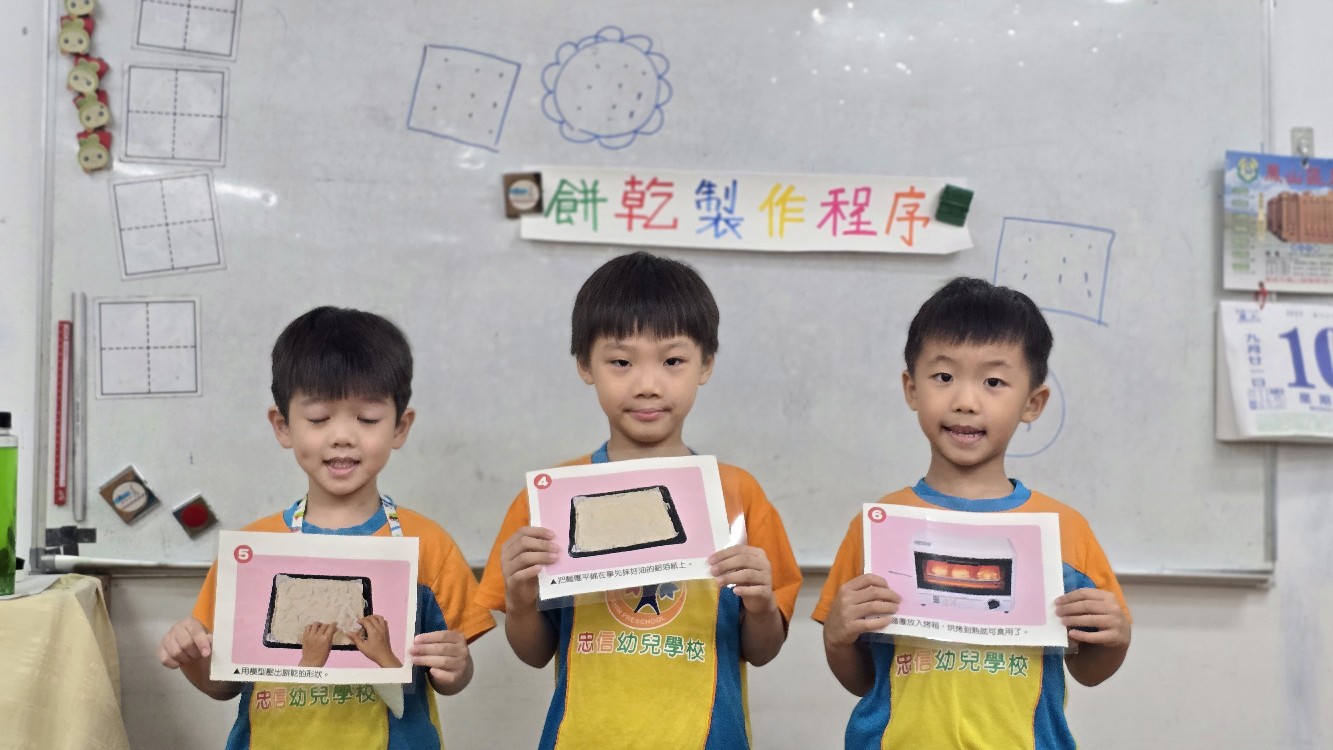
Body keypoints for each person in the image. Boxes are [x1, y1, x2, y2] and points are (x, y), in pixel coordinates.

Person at [476, 251, 803, 749]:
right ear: (585, 365)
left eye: (672, 361)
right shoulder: (550, 498)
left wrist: (760, 607)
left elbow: (762, 651)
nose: (648, 385)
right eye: (621, 362)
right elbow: (534, 653)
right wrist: (520, 603)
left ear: (705, 364)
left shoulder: (738, 493)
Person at [813, 277, 1131, 749]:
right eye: (944, 377)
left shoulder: (1064, 531)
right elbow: (862, 680)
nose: (965, 401)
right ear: (911, 389)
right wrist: (837, 639)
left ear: (1033, 403)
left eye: (993, 382)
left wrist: (1116, 638)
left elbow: (1088, 671)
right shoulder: (879, 525)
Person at [157, 306, 495, 749]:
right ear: (283, 426)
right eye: (319, 418)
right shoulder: (254, 551)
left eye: (367, 419)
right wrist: (190, 656)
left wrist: (457, 666)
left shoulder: (428, 545)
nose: (342, 436)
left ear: (400, 426)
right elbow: (223, 684)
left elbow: (450, 677)